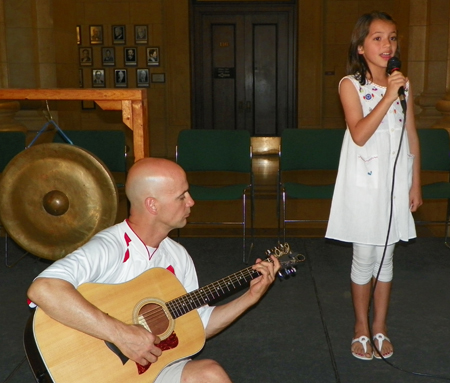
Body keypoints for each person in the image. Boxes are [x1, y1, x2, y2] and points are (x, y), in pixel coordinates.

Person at [27, 157, 280, 382]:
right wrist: (121, 334)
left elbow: (198, 325)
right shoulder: (110, 247)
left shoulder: (177, 255)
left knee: (209, 375)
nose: (191, 202)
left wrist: (249, 298)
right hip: (95, 371)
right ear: (152, 205)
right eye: (182, 196)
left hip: (154, 367)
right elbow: (44, 288)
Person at [326, 11, 422, 361]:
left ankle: (380, 326)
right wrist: (387, 95)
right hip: (364, 185)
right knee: (365, 257)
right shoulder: (351, 85)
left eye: (393, 37)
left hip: (395, 185)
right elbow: (360, 134)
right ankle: (360, 328)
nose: (387, 44)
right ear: (361, 46)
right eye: (378, 38)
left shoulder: (404, 86)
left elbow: (411, 136)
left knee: (387, 258)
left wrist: (416, 183)